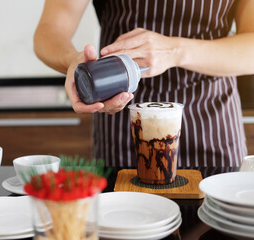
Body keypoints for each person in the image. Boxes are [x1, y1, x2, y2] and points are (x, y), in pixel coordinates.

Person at [34, 0, 254, 168]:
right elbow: (49, 28)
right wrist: (71, 60)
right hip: (124, 121)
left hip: (212, 123)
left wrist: (175, 51)